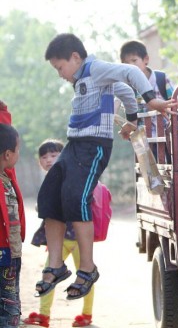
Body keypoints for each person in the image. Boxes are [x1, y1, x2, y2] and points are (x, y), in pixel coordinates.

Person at [35, 33, 178, 301]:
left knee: (76, 198)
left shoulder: (96, 68)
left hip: (93, 146)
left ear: (75, 58)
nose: (60, 75)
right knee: (49, 195)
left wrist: (150, 100)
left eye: (60, 68)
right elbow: (122, 90)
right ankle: (56, 265)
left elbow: (130, 72)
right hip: (74, 145)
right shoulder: (82, 79)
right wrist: (131, 119)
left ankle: (87, 269)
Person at [24, 140, 98, 327]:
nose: (49, 159)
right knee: (49, 275)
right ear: (39, 162)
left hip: (79, 240)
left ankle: (86, 315)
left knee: (85, 276)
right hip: (59, 242)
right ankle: (44, 315)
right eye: (44, 156)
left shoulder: (75, 177)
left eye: (53, 155)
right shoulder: (49, 181)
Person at [120, 40, 176, 161]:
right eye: (126, 63)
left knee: (171, 165)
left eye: (134, 61)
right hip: (143, 137)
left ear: (146, 59)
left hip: (167, 132)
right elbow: (125, 109)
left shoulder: (161, 78)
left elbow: (175, 102)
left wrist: (160, 106)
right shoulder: (126, 87)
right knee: (150, 169)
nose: (131, 66)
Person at [0, 122, 24, 328]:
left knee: (11, 301)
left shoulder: (7, 177)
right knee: (8, 309)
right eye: (18, 150)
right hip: (4, 254)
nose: (19, 154)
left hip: (12, 254)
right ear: (8, 154)